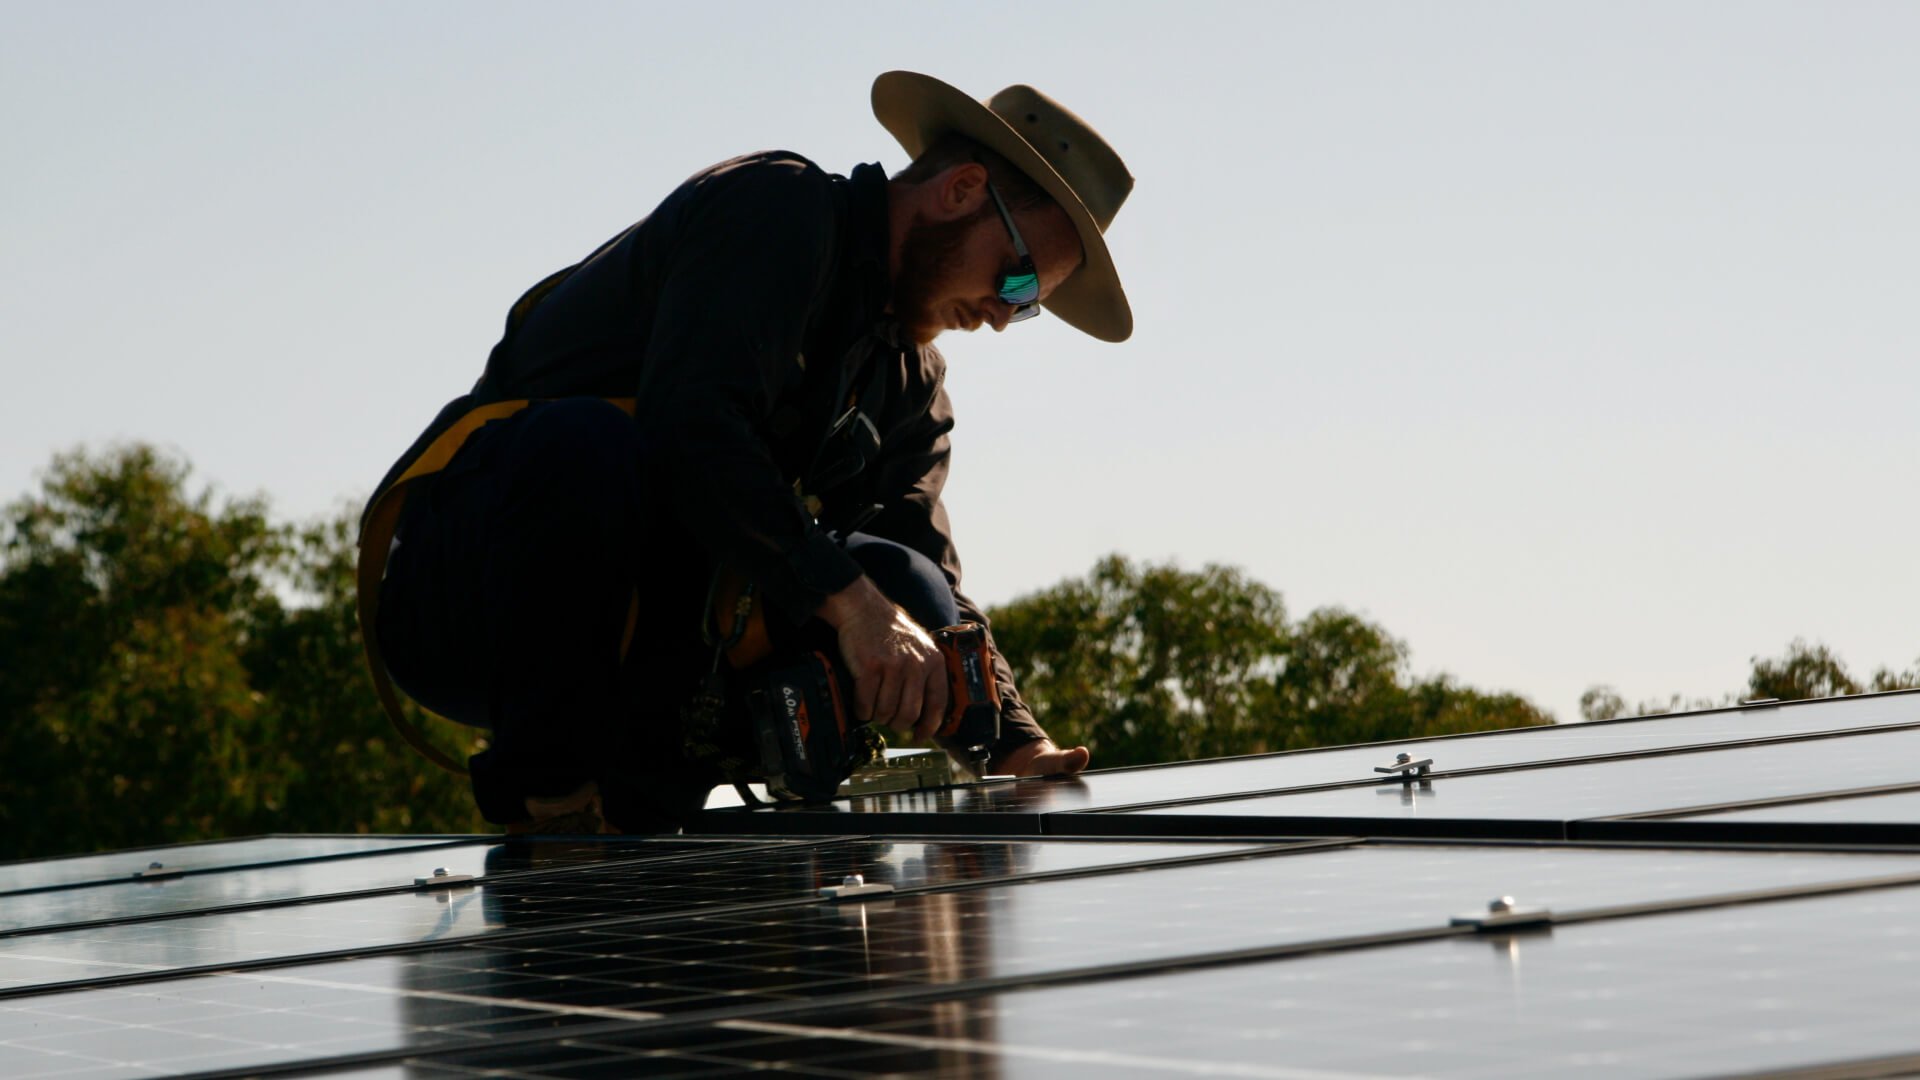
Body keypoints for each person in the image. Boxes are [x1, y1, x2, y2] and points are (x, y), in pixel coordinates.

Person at [357, 71, 1134, 833]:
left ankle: (644, 815)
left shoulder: (911, 384)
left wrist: (1011, 744)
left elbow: (918, 566)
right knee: (593, 446)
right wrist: (854, 608)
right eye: (1020, 276)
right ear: (962, 190)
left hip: (653, 648)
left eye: (1030, 305)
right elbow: (691, 426)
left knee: (893, 579)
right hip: (466, 599)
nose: (1006, 313)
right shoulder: (779, 208)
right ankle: (553, 802)